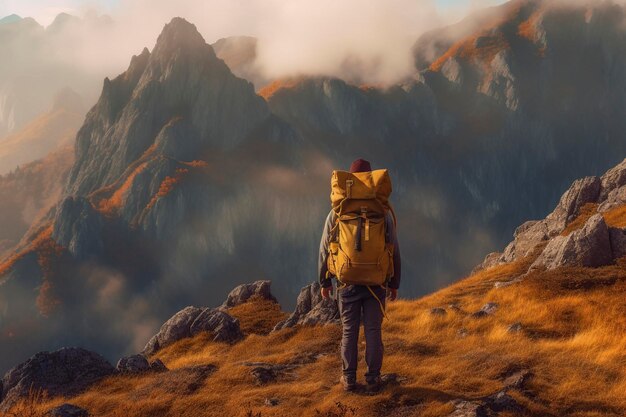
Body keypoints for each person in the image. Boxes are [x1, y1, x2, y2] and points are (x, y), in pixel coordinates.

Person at [318, 158, 401, 393]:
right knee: (373, 330)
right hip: (376, 281)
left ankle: (348, 379)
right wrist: (394, 283)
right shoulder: (382, 213)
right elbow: (394, 249)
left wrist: (324, 280)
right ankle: (373, 379)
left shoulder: (337, 213)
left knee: (349, 331)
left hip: (346, 281)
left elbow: (324, 248)